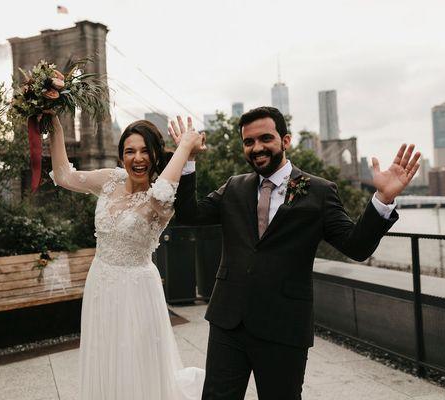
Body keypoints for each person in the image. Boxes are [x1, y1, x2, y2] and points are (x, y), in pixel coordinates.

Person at [170, 107, 420, 400]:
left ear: (285, 140)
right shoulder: (234, 187)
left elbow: (357, 246)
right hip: (229, 320)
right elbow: (189, 215)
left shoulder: (319, 192)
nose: (257, 148)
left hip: (284, 325)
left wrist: (383, 198)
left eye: (266, 138)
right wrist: (187, 160)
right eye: (249, 142)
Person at [48, 114, 206, 400]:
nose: (138, 158)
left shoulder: (161, 200)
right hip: (100, 286)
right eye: (130, 151)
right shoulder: (110, 180)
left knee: (136, 363)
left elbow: (162, 192)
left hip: (137, 291)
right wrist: (54, 123)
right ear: (121, 157)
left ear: (157, 155)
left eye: (146, 150)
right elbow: (63, 175)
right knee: (104, 357)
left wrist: (184, 147)